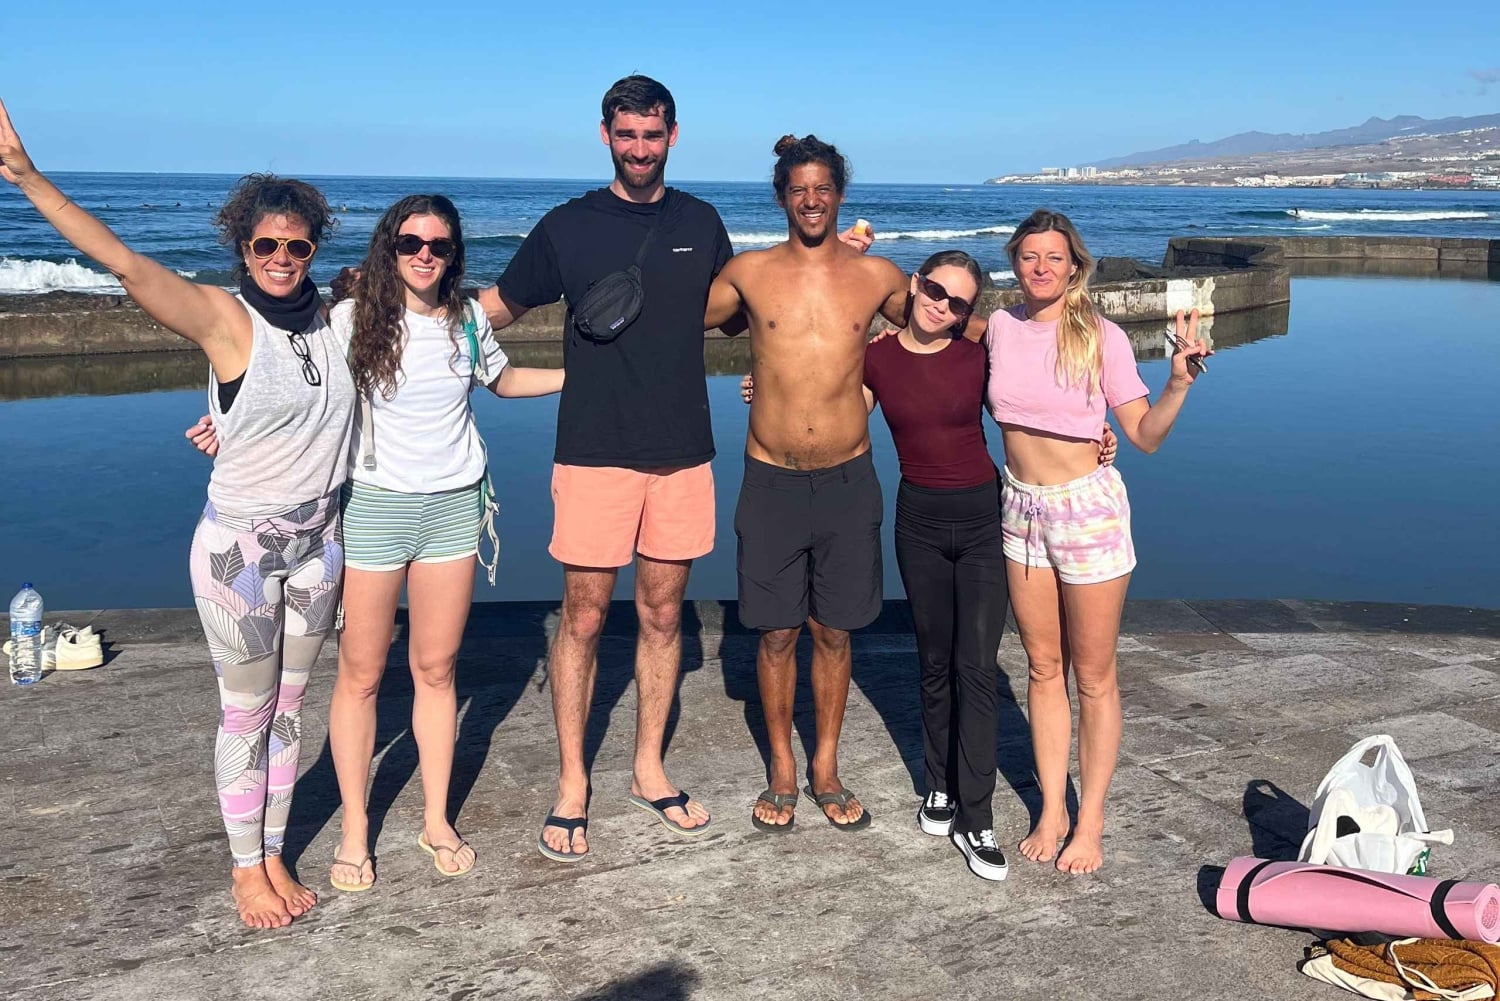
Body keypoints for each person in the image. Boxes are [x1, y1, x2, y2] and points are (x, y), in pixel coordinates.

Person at [0, 99, 353, 929]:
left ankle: (274, 849)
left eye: (297, 246)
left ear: (314, 249)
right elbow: (126, 263)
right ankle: (244, 869)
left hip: (320, 543)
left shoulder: (336, 319)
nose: (281, 258)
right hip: (243, 553)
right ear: (242, 248)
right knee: (246, 712)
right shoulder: (226, 320)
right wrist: (26, 178)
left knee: (290, 710)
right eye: (265, 245)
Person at [186, 195, 565, 889]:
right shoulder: (349, 319)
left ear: (454, 255)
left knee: (437, 670)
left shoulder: (468, 320)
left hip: (454, 509)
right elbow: (281, 378)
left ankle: (436, 819)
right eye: (410, 242)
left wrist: (584, 379)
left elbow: (504, 381)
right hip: (371, 510)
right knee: (361, 676)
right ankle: (356, 830)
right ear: (389, 248)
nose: (425, 255)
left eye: (439, 245)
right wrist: (224, 423)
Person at [740, 251, 1117, 879]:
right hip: (916, 520)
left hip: (982, 518)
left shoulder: (979, 355)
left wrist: (1094, 439)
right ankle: (938, 786)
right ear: (916, 285)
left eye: (959, 303)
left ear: (969, 313)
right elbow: (831, 402)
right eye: (936, 291)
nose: (943, 306)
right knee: (933, 663)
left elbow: (1038, 402)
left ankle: (977, 818)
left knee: (977, 668)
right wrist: (766, 387)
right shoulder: (877, 358)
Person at [473, 75, 731, 862]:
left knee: (663, 616)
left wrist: (840, 273)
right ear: (605, 135)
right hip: (592, 451)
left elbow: (755, 309)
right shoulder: (568, 226)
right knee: (582, 618)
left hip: (681, 453)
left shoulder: (701, 222)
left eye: (652, 135)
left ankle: (649, 769)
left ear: (673, 135)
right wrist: (381, 320)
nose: (639, 149)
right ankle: (572, 781)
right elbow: (491, 311)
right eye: (627, 135)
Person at [706, 135, 932, 835]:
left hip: (847, 479)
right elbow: (668, 323)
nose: (811, 200)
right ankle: (782, 769)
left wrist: (1050, 339)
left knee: (834, 632)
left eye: (823, 188)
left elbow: (943, 323)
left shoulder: (877, 276)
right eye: (798, 189)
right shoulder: (747, 273)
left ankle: (825, 768)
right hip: (770, 480)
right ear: (782, 196)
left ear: (840, 195)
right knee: (776, 633)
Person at [989, 209, 1207, 875]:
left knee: (1093, 674)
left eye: (1054, 257)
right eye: (1030, 256)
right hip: (1020, 509)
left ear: (1074, 267)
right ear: (1015, 263)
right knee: (1041, 667)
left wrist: (1178, 382)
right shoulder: (999, 327)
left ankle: (1091, 821)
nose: (1041, 267)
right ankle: (1053, 808)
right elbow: (927, 339)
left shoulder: (1101, 336)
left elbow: (1142, 435)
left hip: (1086, 511)